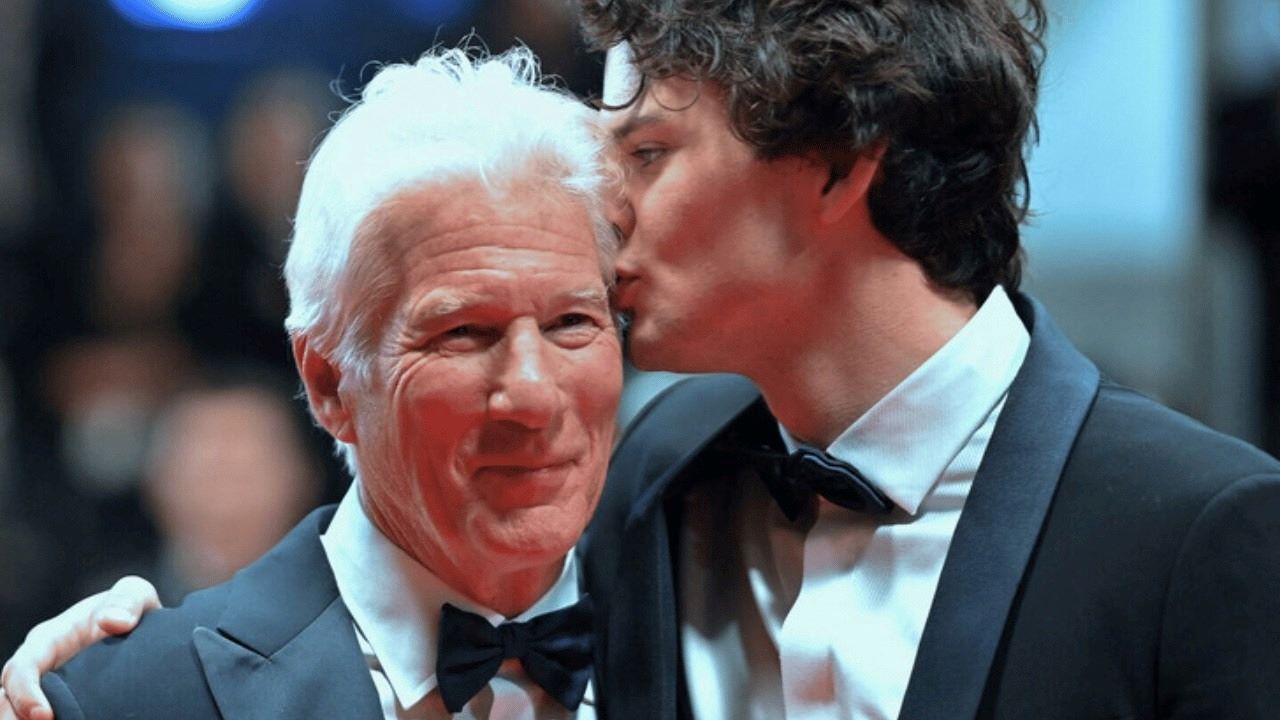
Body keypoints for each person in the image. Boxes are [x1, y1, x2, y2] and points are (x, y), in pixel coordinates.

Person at [7, 1, 1280, 718]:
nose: (602, 209)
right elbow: (384, 571)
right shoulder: (647, 471)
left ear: (841, 159)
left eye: (651, 155)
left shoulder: (1199, 530)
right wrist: (122, 669)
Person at [1, 45, 622, 719]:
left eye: (571, 321)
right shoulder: (128, 698)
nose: (533, 394)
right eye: (464, 332)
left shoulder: (688, 606)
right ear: (329, 383)